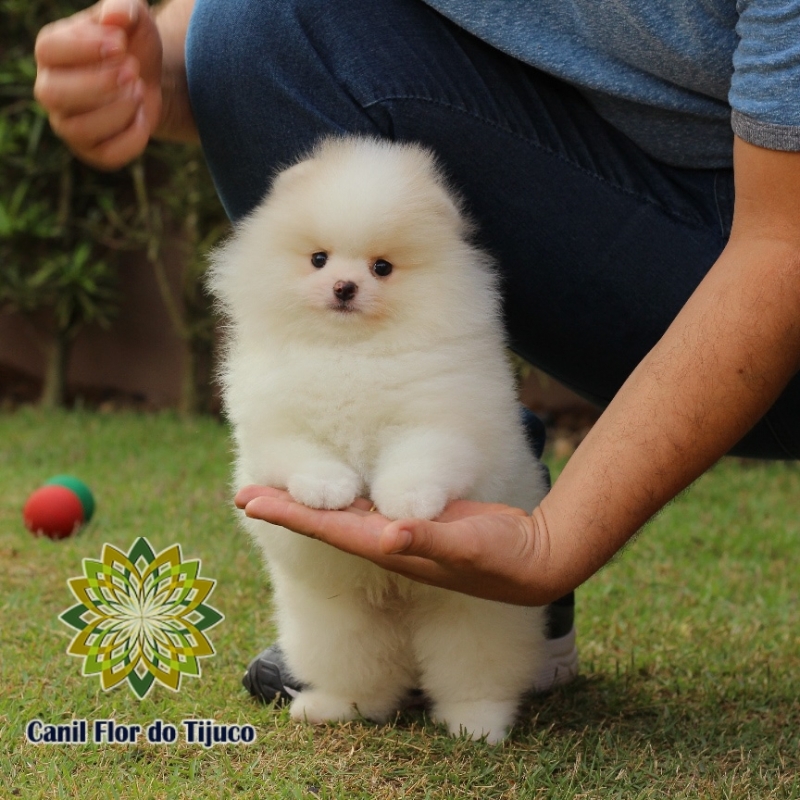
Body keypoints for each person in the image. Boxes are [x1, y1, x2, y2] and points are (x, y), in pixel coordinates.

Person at [35, 0, 800, 702]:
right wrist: (152, 74)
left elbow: (784, 242)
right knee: (250, 27)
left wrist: (547, 538)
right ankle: (389, 584)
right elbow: (238, 44)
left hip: (769, 243)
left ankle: (485, 515)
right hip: (611, 174)